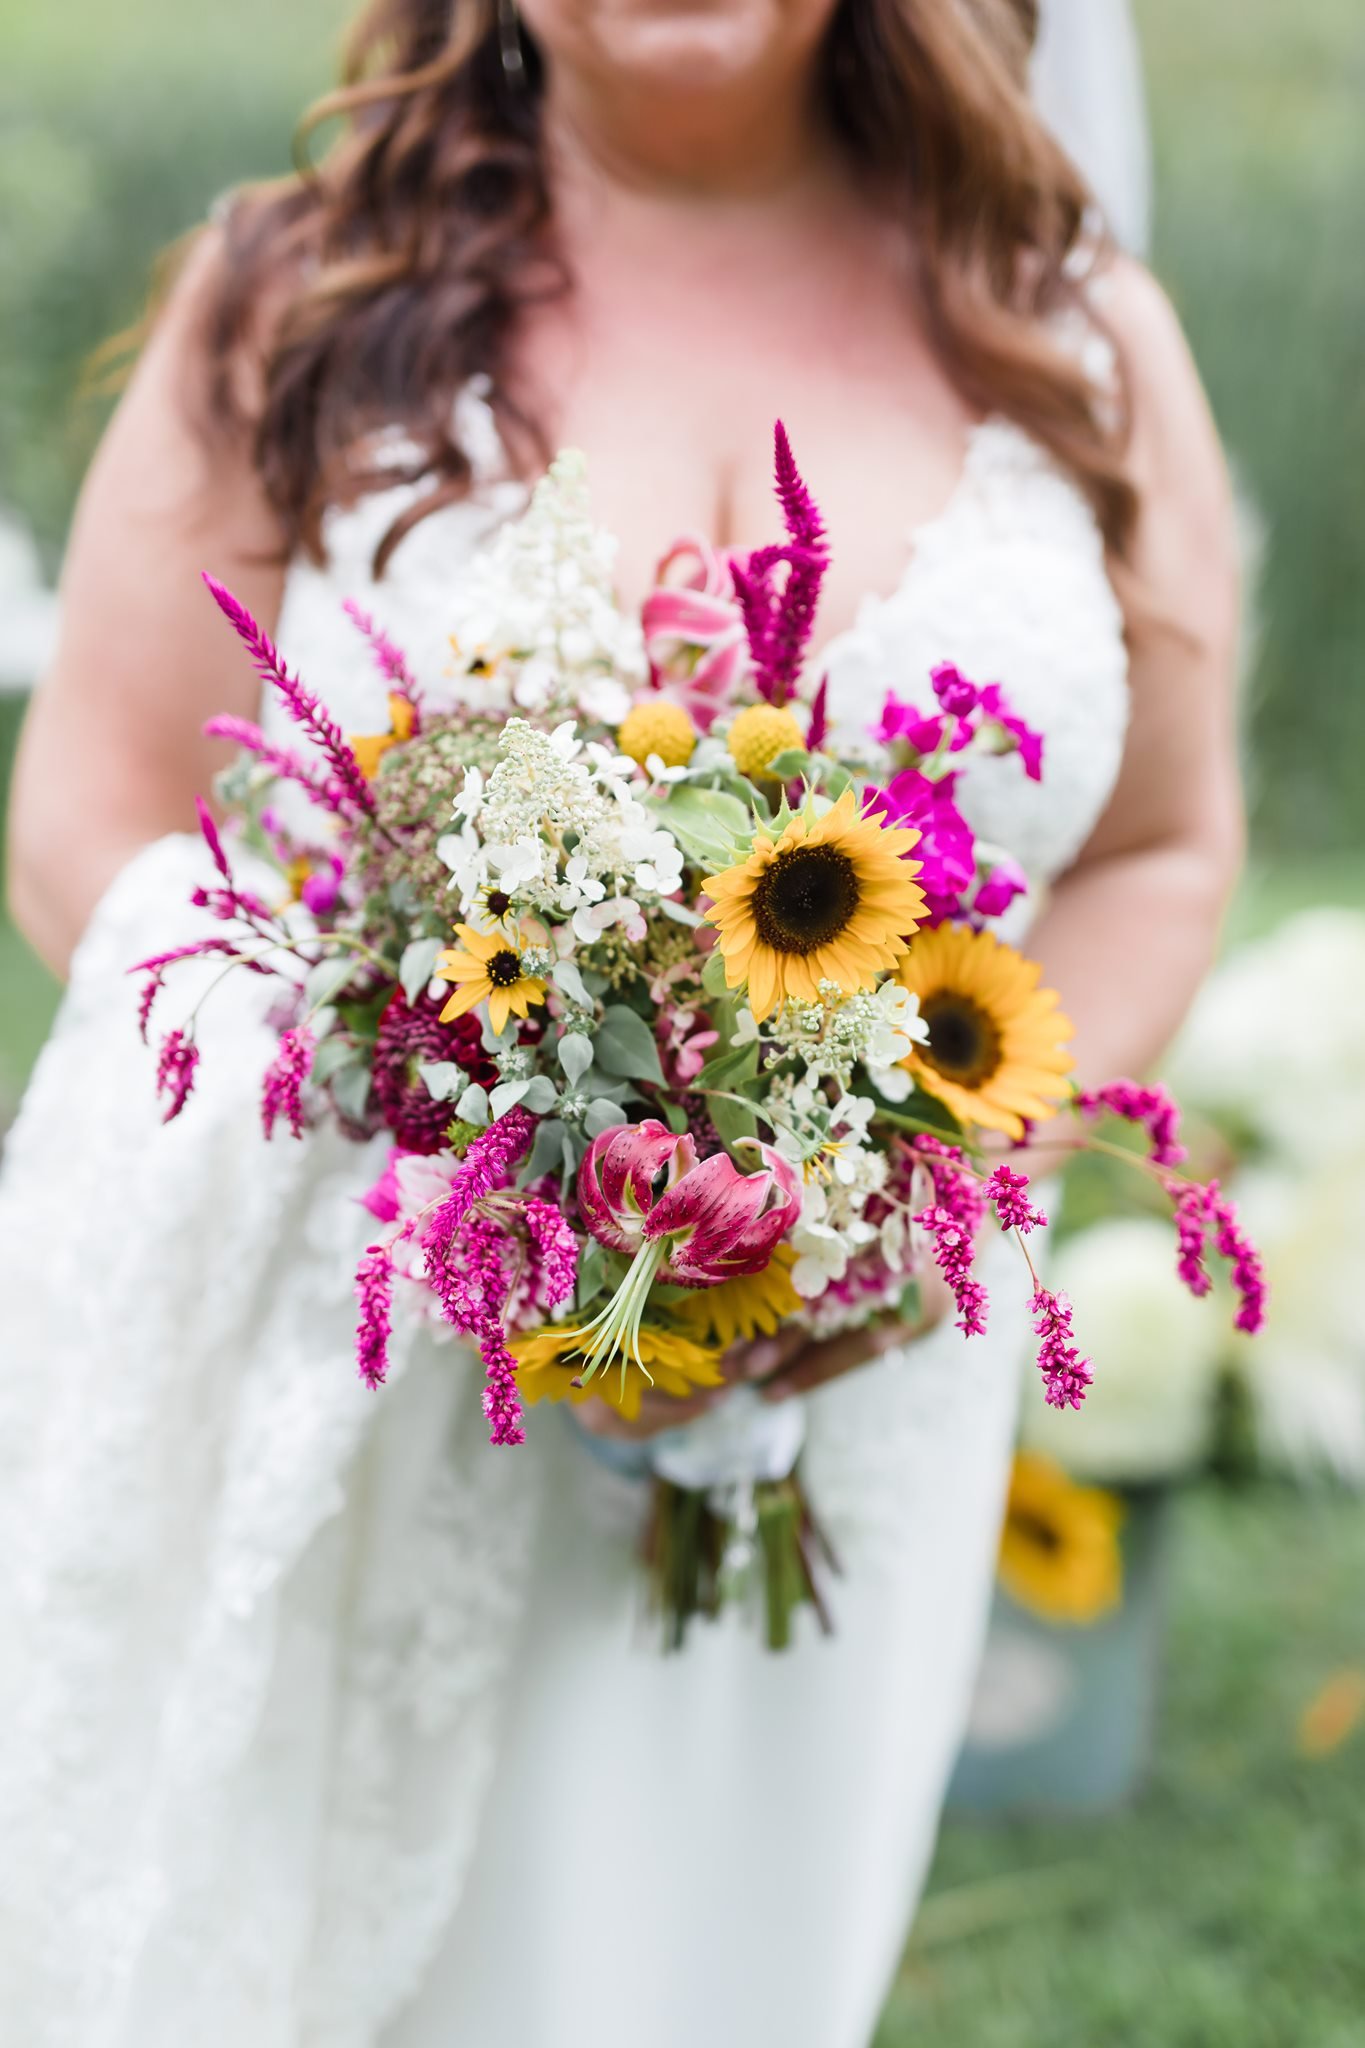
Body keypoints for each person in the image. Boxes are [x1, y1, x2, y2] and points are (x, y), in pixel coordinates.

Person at [1, 3, 1242, 2043]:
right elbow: (92, 810)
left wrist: (904, 1191)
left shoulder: (1073, 329)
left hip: (862, 1402)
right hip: (382, 1366)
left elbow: (1164, 843)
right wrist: (436, 1112)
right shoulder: (299, 299)